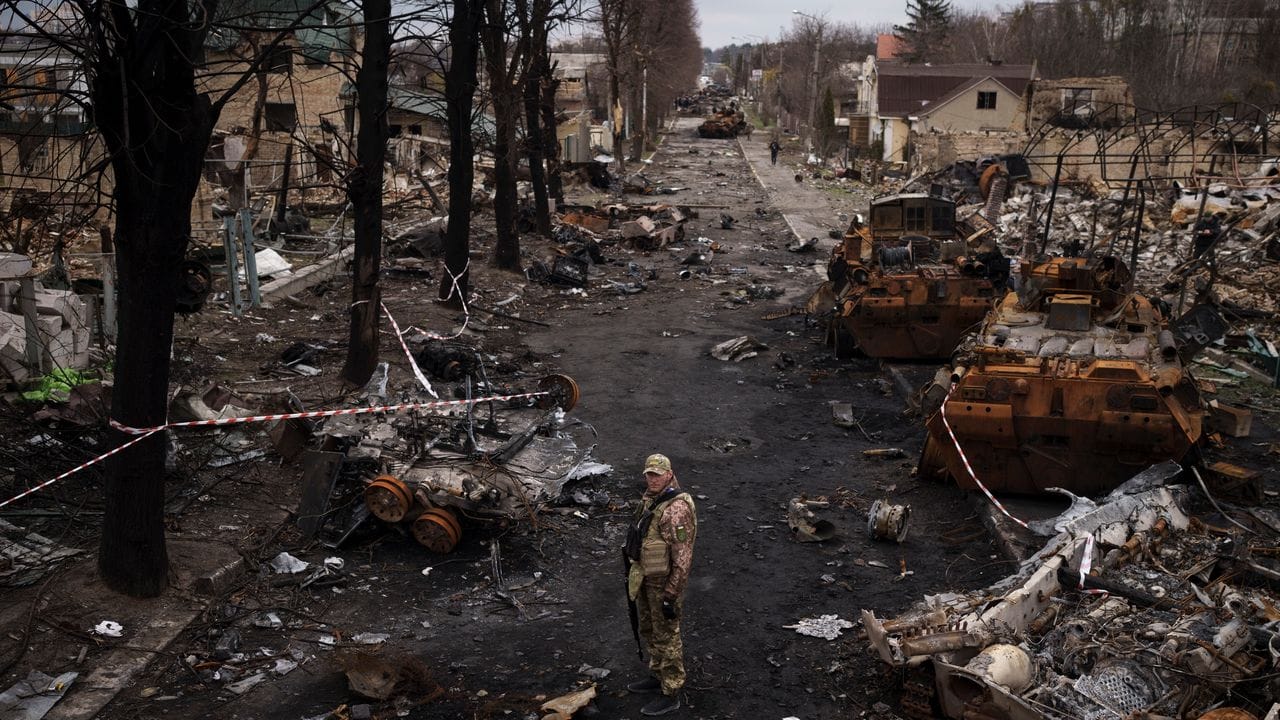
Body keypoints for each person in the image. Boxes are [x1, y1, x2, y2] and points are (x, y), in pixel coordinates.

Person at [623, 453, 697, 716]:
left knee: (667, 636)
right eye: (649, 474)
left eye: (657, 474)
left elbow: (682, 557)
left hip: (663, 585)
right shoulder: (651, 500)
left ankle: (672, 690)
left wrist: (671, 594)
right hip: (645, 578)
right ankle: (657, 675)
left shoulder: (676, 509)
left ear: (669, 474)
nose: (652, 479)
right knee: (649, 629)